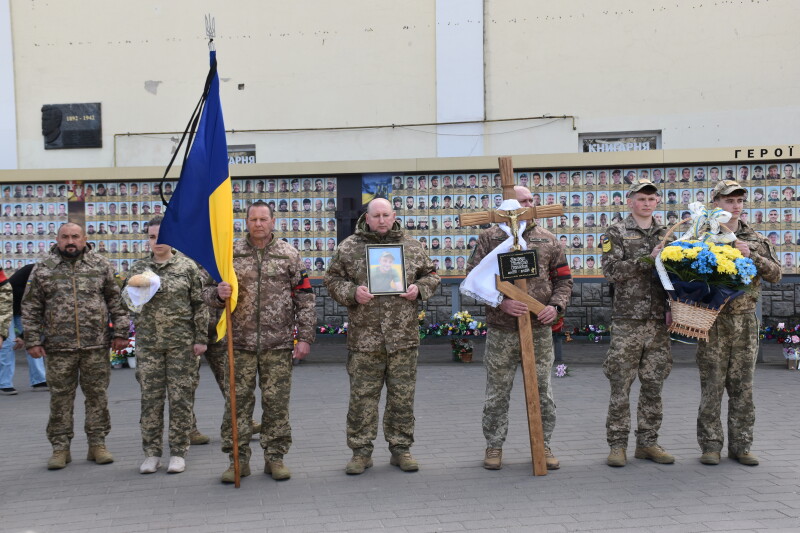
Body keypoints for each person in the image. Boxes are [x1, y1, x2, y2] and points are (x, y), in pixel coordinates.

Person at [325, 198, 440, 475]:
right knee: (362, 399)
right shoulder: (349, 247)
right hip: (365, 340)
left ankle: (401, 449)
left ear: (394, 215)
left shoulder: (412, 246)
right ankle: (360, 452)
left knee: (402, 398)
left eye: (385, 215)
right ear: (367, 217)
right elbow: (332, 279)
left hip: (403, 338)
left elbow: (432, 275)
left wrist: (419, 289)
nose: (381, 220)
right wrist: (352, 292)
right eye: (376, 215)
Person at [204, 201, 316, 483]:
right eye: (253, 219)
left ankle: (275, 458)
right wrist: (217, 294)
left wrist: (304, 337)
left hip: (277, 344)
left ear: (273, 221)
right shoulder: (229, 253)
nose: (258, 224)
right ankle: (238, 460)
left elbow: (305, 297)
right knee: (236, 405)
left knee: (276, 404)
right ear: (246, 222)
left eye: (263, 219)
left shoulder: (288, 254)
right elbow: (205, 290)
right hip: (238, 344)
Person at [466, 186, 573, 471]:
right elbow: (474, 278)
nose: (526, 205)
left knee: (542, 391)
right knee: (497, 392)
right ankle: (494, 445)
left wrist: (555, 307)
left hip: (538, 329)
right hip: (502, 330)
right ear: (506, 204)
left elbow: (563, 280)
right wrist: (501, 302)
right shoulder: (490, 237)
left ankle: (543, 444)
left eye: (529, 200)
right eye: (520, 201)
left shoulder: (548, 239)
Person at [22, 222, 130, 470]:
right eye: (65, 237)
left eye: (75, 236)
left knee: (97, 397)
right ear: (57, 239)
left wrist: (121, 332)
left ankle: (97, 444)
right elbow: (31, 307)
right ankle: (60, 448)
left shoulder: (100, 265)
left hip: (96, 345)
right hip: (58, 348)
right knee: (60, 399)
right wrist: (32, 340)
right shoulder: (43, 268)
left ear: (84, 239)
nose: (70, 241)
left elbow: (117, 301)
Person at [696, 180, 781, 466]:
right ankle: (710, 446)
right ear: (716, 203)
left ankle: (741, 446)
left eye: (739, 201)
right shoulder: (701, 237)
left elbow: (776, 274)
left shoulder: (755, 238)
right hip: (713, 321)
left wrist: (751, 255)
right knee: (712, 386)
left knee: (743, 387)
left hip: (744, 322)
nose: (735, 206)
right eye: (729, 200)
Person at [600, 179, 674, 467]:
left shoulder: (667, 233)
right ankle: (617, 445)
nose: (646, 203)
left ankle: (648, 443)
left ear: (657, 202)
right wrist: (647, 259)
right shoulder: (615, 232)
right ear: (630, 201)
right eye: (641, 199)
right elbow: (611, 271)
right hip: (627, 320)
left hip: (658, 321)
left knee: (654, 384)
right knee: (620, 384)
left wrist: (674, 307)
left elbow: (675, 276)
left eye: (651, 199)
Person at [126, 217, 208, 474]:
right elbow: (126, 303)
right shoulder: (139, 268)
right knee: (150, 399)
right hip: (149, 345)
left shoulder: (187, 267)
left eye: (161, 236)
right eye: (152, 237)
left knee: (180, 398)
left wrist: (201, 338)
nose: (157, 242)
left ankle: (178, 452)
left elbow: (199, 304)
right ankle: (151, 454)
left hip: (181, 345)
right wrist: (137, 291)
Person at [0, 264, 47, 395]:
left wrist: (23, 336)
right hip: (5, 308)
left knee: (33, 341)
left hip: (24, 310)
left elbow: (42, 313)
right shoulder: (34, 269)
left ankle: (39, 380)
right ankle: (4, 383)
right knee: (8, 343)